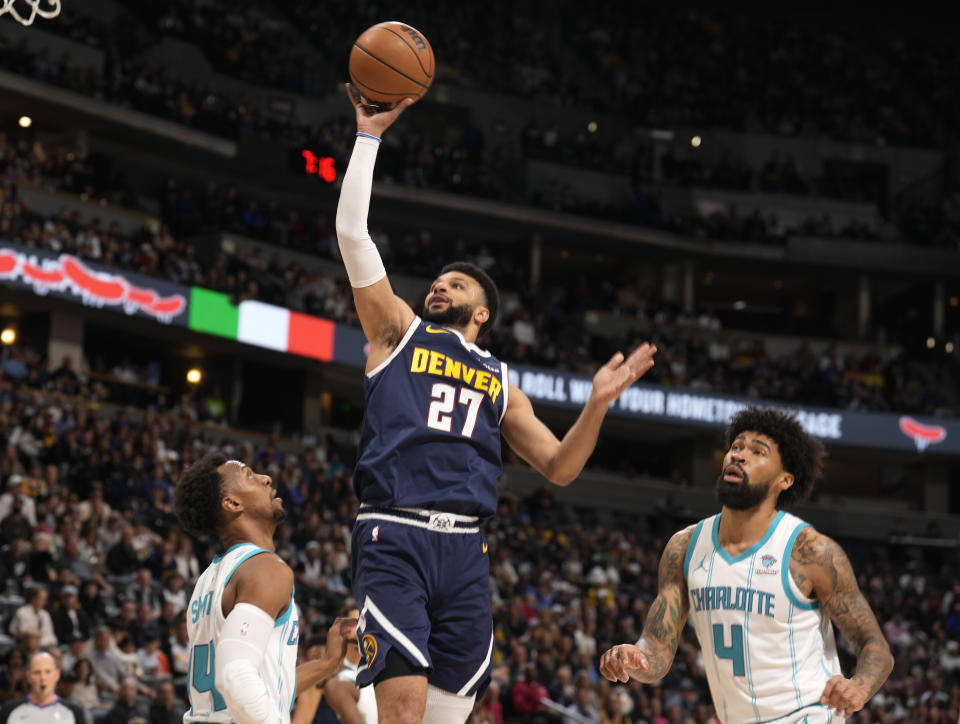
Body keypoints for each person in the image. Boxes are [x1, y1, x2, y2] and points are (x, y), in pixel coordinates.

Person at [335, 85, 657, 724]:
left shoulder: (501, 379)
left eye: (453, 283)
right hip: (395, 533)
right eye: (436, 280)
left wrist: (596, 404)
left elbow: (561, 468)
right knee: (399, 713)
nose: (437, 286)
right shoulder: (398, 331)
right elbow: (351, 233)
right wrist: (367, 137)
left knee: (448, 715)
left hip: (466, 553)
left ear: (480, 311)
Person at [599, 407, 894, 722]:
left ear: (785, 479)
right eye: (736, 447)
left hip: (807, 715)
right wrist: (635, 657)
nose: (739, 456)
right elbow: (657, 648)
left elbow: (874, 646)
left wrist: (859, 686)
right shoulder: (684, 548)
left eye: (757, 451)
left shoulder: (810, 552)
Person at [173, 452, 356, 724]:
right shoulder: (265, 569)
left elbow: (261, 686)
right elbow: (235, 676)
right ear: (233, 503)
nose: (266, 478)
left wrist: (328, 664)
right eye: (249, 475)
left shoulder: (208, 579)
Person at [323, 608, 378, 723]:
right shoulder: (338, 678)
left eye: (364, 621)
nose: (361, 627)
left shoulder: (380, 668)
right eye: (356, 621)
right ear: (345, 628)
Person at [0, 651, 88, 724]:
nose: (43, 678)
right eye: (37, 672)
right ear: (28, 677)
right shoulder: (9, 709)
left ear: (57, 675)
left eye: (48, 672)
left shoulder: (74, 712)